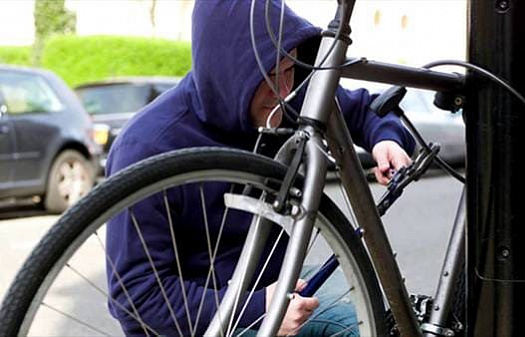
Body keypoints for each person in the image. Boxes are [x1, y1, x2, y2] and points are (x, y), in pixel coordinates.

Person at [105, 1, 415, 336]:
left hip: (277, 285)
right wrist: (254, 309)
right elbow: (136, 295)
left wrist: (385, 140)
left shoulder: (286, 97)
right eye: (269, 75)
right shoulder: (147, 146)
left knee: (390, 315)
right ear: (228, 71)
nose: (283, 91)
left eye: (289, 70)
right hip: (203, 321)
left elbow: (363, 109)